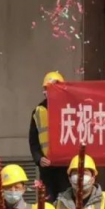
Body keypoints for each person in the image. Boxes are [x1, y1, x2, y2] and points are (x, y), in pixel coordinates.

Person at [29, 71, 67, 200]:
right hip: (47, 168)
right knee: (47, 203)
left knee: (66, 202)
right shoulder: (38, 111)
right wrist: (39, 158)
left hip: (66, 168)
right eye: (47, 88)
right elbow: (33, 141)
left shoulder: (70, 108)